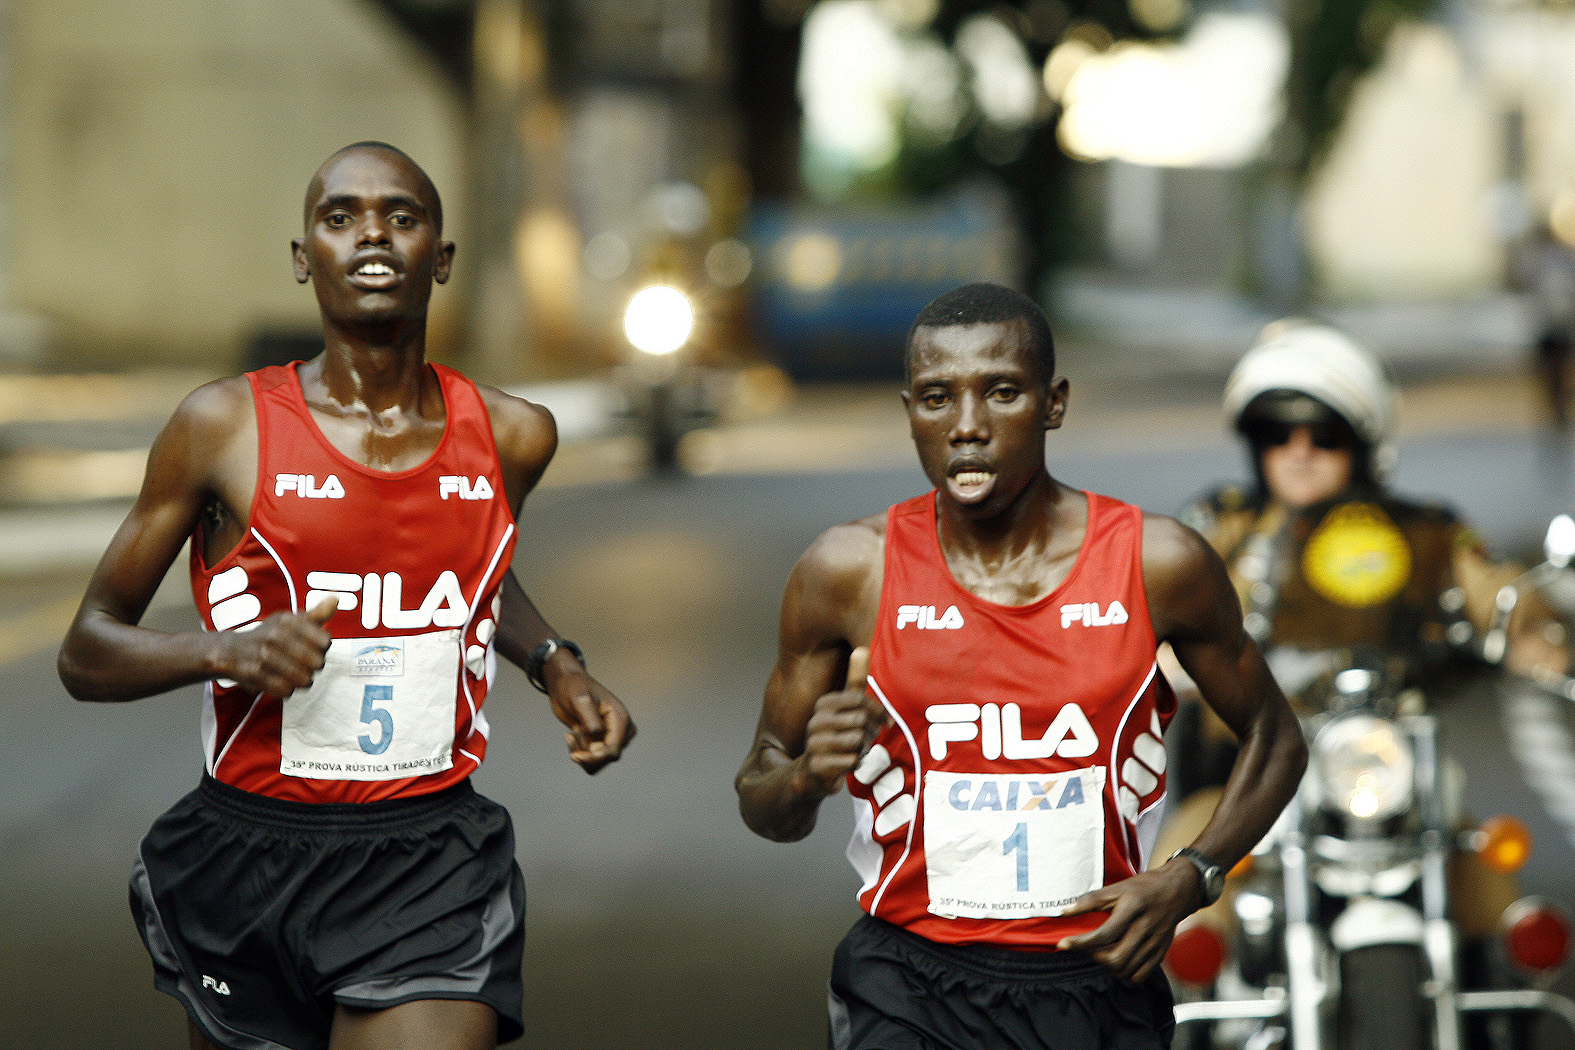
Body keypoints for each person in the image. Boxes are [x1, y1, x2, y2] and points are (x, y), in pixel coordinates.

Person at [56, 142, 634, 1050]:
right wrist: (223, 651)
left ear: (439, 259)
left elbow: (468, 569)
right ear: (303, 259)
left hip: (427, 858)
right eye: (341, 217)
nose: (373, 235)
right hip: (249, 852)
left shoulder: (515, 434)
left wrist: (556, 664)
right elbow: (86, 651)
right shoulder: (224, 428)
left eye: (402, 218)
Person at [735, 283, 1308, 1050]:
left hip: (1097, 980)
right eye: (937, 399)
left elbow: (1275, 738)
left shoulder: (1154, 563)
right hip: (907, 984)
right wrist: (806, 776)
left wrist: (1191, 875)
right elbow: (761, 796)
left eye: (1000, 393)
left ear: (1052, 402)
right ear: (910, 411)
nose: (966, 427)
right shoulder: (847, 572)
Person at [1156, 318, 1566, 939]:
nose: (1297, 451)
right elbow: (1154, 599)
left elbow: (1497, 593)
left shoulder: (1425, 532)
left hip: (1382, 751)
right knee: (1178, 884)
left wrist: (1534, 636)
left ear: (1361, 440)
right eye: (1274, 433)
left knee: (1483, 872)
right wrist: (1149, 650)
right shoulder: (1223, 528)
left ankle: (1499, 1009)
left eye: (1322, 434)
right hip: (1250, 759)